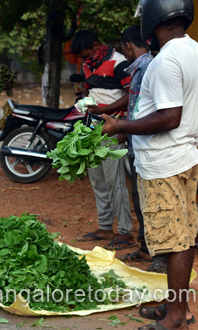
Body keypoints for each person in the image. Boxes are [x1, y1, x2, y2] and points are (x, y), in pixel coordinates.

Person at [101, 0, 198, 329]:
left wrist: (120, 127)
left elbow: (168, 117)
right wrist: (131, 133)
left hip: (164, 164)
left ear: (153, 21)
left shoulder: (165, 61)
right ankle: (176, 306)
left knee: (173, 241)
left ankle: (177, 317)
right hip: (186, 156)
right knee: (183, 237)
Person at [70, 30, 136, 250]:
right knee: (98, 180)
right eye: (81, 57)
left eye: (86, 53)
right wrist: (84, 104)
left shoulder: (118, 62)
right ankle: (105, 227)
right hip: (93, 128)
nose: (84, 60)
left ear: (97, 45)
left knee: (115, 182)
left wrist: (104, 110)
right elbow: (90, 90)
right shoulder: (87, 65)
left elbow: (131, 94)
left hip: (113, 126)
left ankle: (125, 232)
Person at [116, 25, 168, 274]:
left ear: (128, 45)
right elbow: (135, 103)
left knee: (153, 202)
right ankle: (146, 247)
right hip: (138, 145)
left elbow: (152, 110)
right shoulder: (140, 67)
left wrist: (125, 128)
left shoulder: (149, 67)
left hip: (150, 147)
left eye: (122, 47)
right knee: (140, 198)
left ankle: (161, 256)